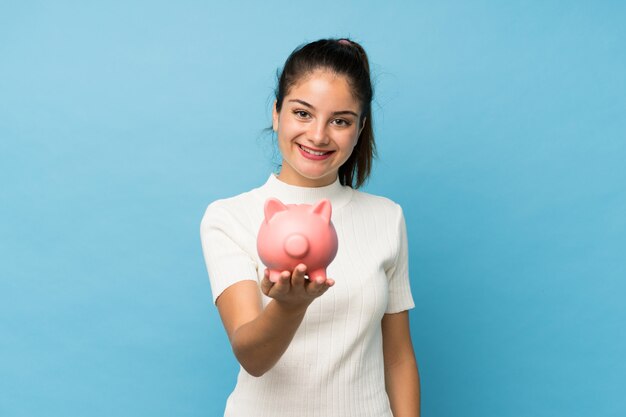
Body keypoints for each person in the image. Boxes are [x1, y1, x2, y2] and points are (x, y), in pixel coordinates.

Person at [200, 38, 420, 417]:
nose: (319, 135)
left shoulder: (387, 218)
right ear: (276, 113)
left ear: (360, 127)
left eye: (340, 120)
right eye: (302, 113)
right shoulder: (230, 217)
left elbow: (398, 358)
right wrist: (289, 307)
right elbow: (252, 356)